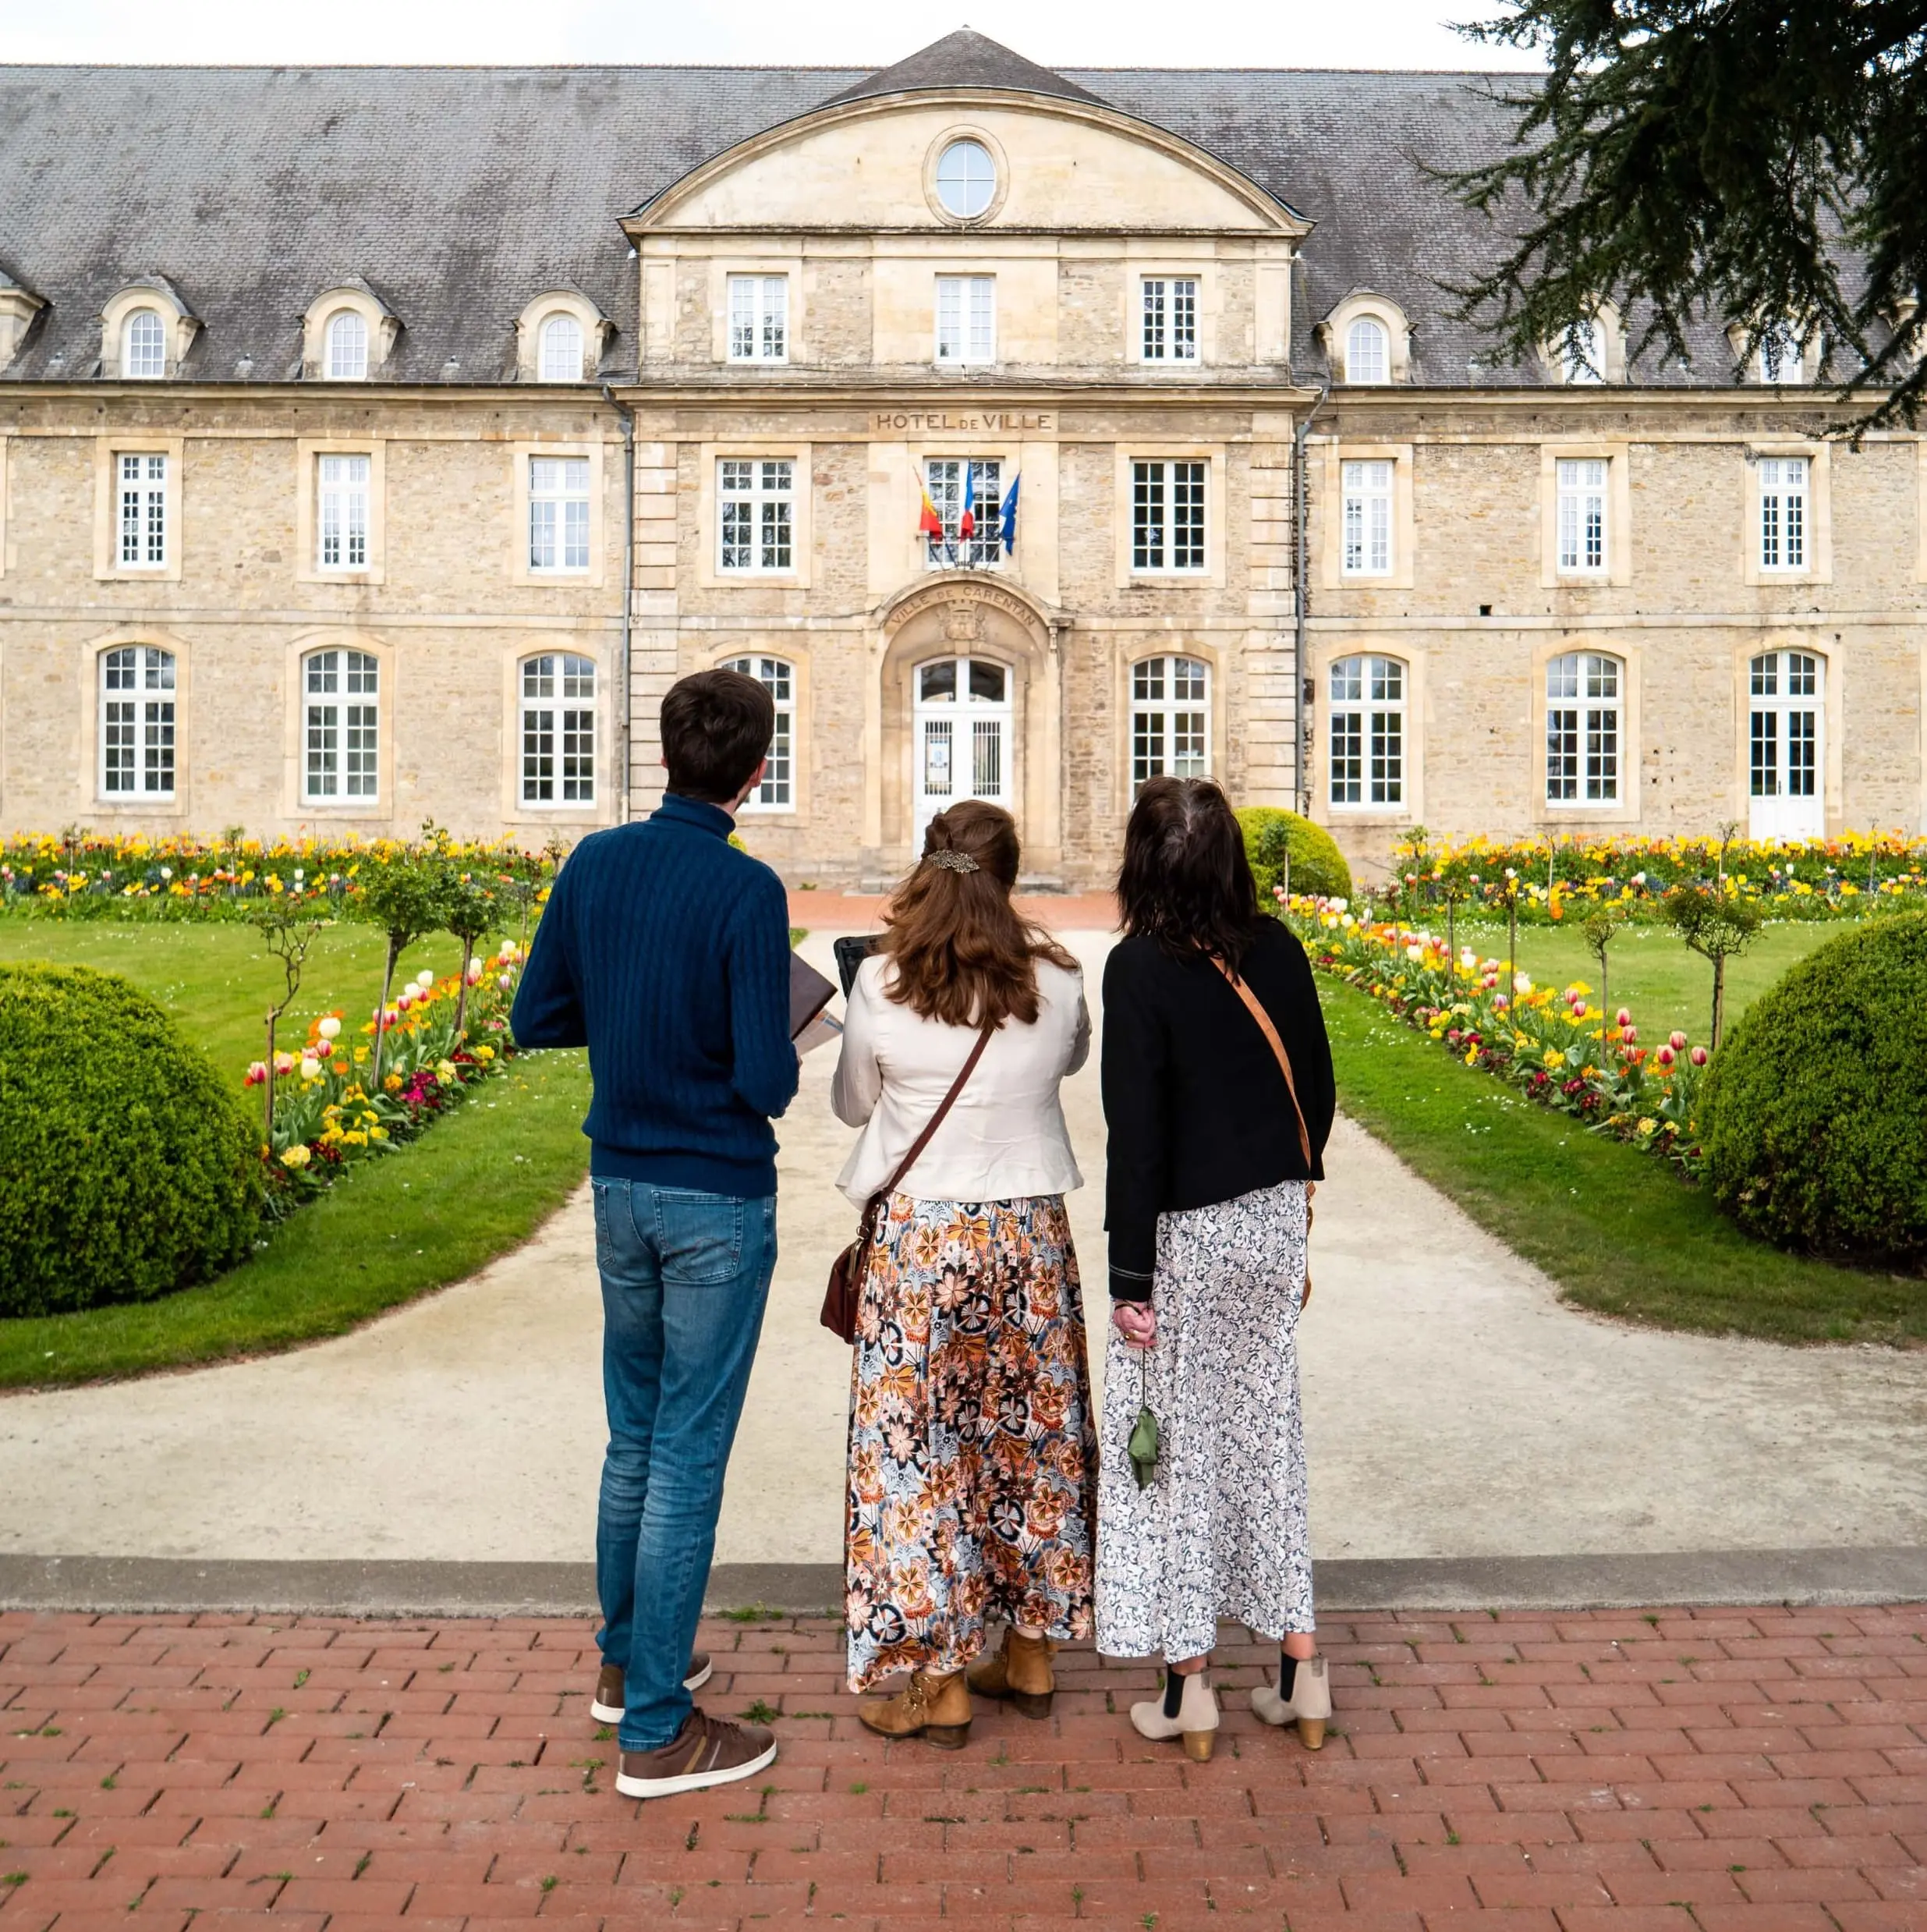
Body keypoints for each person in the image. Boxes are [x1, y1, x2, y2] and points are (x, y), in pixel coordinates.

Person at [512, 668, 799, 1800]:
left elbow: (540, 1015)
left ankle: (630, 1663)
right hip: (715, 1196)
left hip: (619, 1186)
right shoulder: (745, 889)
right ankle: (659, 1734)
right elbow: (767, 1080)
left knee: (633, 1432)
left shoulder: (593, 863)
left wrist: (628, 1018)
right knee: (686, 1449)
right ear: (753, 772)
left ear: (663, 752)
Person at [832, 800, 1098, 1747]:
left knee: (915, 1456)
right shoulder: (1057, 981)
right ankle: (1029, 1651)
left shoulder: (883, 980)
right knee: (1030, 1443)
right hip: (1025, 1231)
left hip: (920, 1239)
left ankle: (937, 1676)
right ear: (1011, 874)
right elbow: (1067, 1062)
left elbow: (852, 1099)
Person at [1094, 776, 1337, 1759]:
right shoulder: (1277, 947)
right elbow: (1314, 1090)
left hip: (1184, 1231)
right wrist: (1275, 1185)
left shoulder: (1136, 968)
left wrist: (1128, 1274)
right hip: (1273, 1216)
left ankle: (1187, 1680)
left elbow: (1134, 1135)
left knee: (1172, 1454)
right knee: (1266, 1429)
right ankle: (1300, 1668)